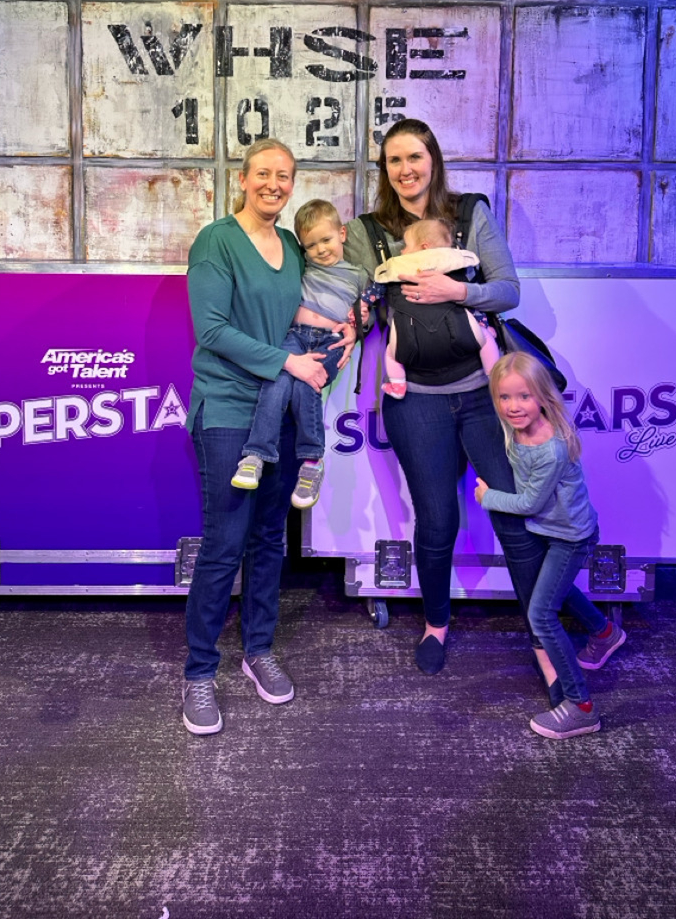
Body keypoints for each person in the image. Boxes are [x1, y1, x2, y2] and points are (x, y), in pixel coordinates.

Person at [344, 117, 591, 683]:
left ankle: (542, 639)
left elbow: (508, 290)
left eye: (415, 156)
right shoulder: (368, 231)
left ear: (433, 159)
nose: (406, 169)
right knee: (436, 521)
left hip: (484, 395)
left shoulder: (470, 213)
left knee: (516, 515)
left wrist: (456, 290)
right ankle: (435, 624)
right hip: (415, 400)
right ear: (384, 170)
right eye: (394, 160)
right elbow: (357, 299)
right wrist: (346, 319)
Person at [182, 139, 353, 736]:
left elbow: (306, 314)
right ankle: (199, 673)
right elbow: (211, 330)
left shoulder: (291, 246)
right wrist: (289, 364)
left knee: (268, 543)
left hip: (278, 414)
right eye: (263, 173)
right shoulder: (216, 241)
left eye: (284, 175)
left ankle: (258, 651)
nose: (273, 184)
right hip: (229, 410)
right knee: (224, 544)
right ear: (243, 178)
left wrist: (343, 330)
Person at [476, 352, 627, 739]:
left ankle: (581, 707)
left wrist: (488, 497)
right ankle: (604, 633)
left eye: (523, 396)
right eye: (504, 397)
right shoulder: (514, 427)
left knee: (542, 614)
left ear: (543, 396)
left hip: (570, 537)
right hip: (550, 530)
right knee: (560, 589)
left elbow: (530, 503)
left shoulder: (551, 448)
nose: (513, 407)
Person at [232, 199, 370, 509]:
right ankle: (255, 454)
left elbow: (369, 311)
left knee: (308, 385)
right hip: (295, 335)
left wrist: (361, 320)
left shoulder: (359, 275)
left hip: (330, 342)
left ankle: (312, 462)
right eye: (311, 245)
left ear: (342, 234)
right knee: (276, 381)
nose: (320, 249)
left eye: (326, 240)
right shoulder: (303, 266)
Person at [373, 217, 500, 399]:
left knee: (392, 354)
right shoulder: (458, 262)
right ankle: (493, 375)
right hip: (461, 336)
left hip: (409, 341)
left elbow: (376, 289)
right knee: (486, 339)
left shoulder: (398, 267)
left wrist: (364, 303)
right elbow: (473, 304)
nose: (402, 251)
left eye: (406, 245)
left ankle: (398, 384)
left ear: (424, 247)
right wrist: (483, 324)